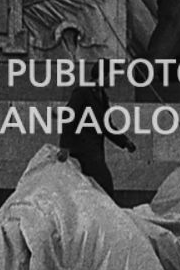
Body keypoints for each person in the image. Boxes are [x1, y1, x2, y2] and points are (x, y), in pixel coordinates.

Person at [57, 60, 135, 196]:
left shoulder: (102, 96)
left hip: (94, 151)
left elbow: (106, 125)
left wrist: (124, 142)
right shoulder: (83, 91)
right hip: (82, 151)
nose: (114, 80)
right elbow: (68, 116)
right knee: (104, 185)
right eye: (113, 76)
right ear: (104, 75)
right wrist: (64, 147)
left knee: (94, 190)